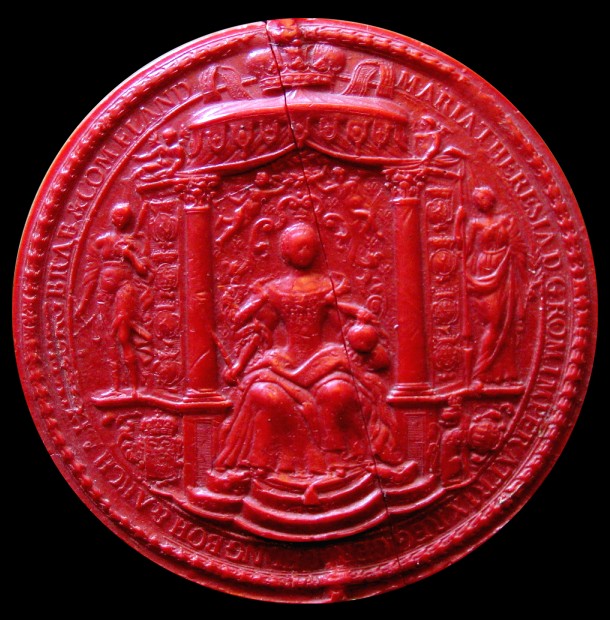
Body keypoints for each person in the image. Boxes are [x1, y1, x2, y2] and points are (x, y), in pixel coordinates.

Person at [214, 222, 397, 478]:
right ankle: (270, 461)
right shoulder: (273, 290)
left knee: (337, 391)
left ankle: (336, 456)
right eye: (298, 247)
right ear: (285, 251)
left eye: (309, 246)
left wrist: (362, 332)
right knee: (262, 393)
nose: (305, 251)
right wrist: (239, 365)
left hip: (323, 357)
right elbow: (260, 332)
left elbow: (342, 328)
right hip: (285, 359)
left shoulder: (328, 286)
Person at [76, 202, 152, 395]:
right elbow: (91, 273)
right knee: (109, 339)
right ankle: (116, 388)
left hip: (124, 290)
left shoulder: (132, 243)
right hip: (104, 291)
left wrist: (129, 254)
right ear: (111, 217)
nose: (120, 220)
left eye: (124, 217)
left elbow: (143, 271)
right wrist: (84, 303)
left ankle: (134, 388)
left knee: (123, 336)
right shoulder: (101, 242)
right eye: (117, 216)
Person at [463, 186, 527, 384]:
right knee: (493, 322)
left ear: (491, 199)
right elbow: (465, 250)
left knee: (506, 322)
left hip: (505, 269)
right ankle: (480, 373)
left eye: (484, 198)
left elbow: (518, 248)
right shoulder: (474, 224)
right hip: (484, 271)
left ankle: (506, 374)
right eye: (478, 199)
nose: (481, 202)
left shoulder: (505, 220)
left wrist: (525, 277)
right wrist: (457, 224)